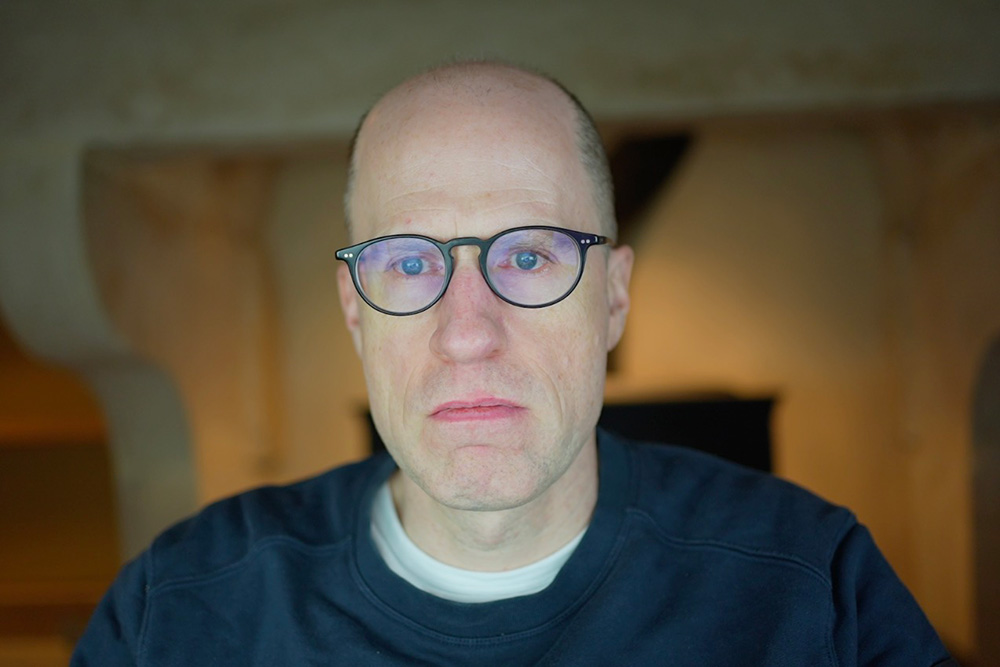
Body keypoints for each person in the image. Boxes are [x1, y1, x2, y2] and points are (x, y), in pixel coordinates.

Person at [73, 61, 954, 666]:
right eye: (411, 262)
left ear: (612, 297)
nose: (468, 332)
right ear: (355, 312)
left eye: (529, 256)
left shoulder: (808, 582)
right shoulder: (179, 608)